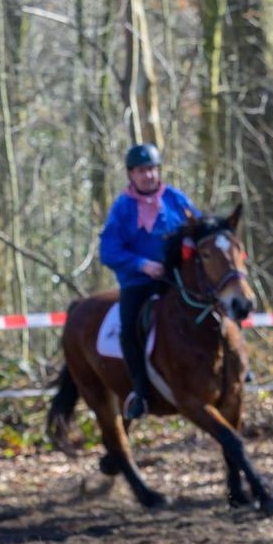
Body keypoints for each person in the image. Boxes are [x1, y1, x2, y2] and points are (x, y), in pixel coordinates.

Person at [98, 143, 202, 420]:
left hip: (176, 280)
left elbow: (200, 229)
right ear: (131, 174)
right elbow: (108, 251)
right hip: (138, 283)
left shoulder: (176, 199)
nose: (149, 176)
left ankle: (234, 367)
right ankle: (141, 393)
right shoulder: (122, 208)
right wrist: (142, 265)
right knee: (129, 330)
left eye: (153, 169)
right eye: (142, 171)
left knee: (215, 305)